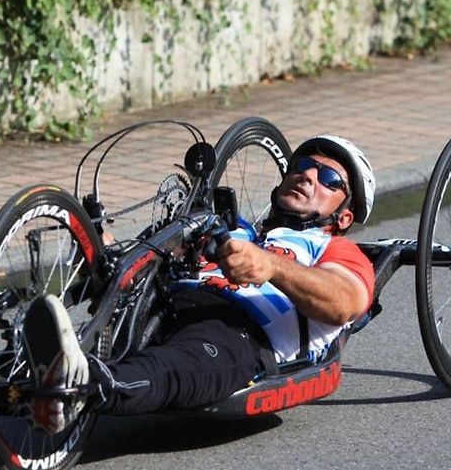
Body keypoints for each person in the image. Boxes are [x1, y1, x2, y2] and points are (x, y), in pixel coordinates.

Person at [21, 134, 378, 433]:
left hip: (237, 331)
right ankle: (0, 372)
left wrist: (271, 266)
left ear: (344, 216)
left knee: (169, 365)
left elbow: (345, 301)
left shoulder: (333, 248)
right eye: (301, 166)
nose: (308, 176)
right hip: (162, 302)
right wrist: (109, 252)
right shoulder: (233, 227)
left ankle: (80, 387)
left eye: (329, 179)